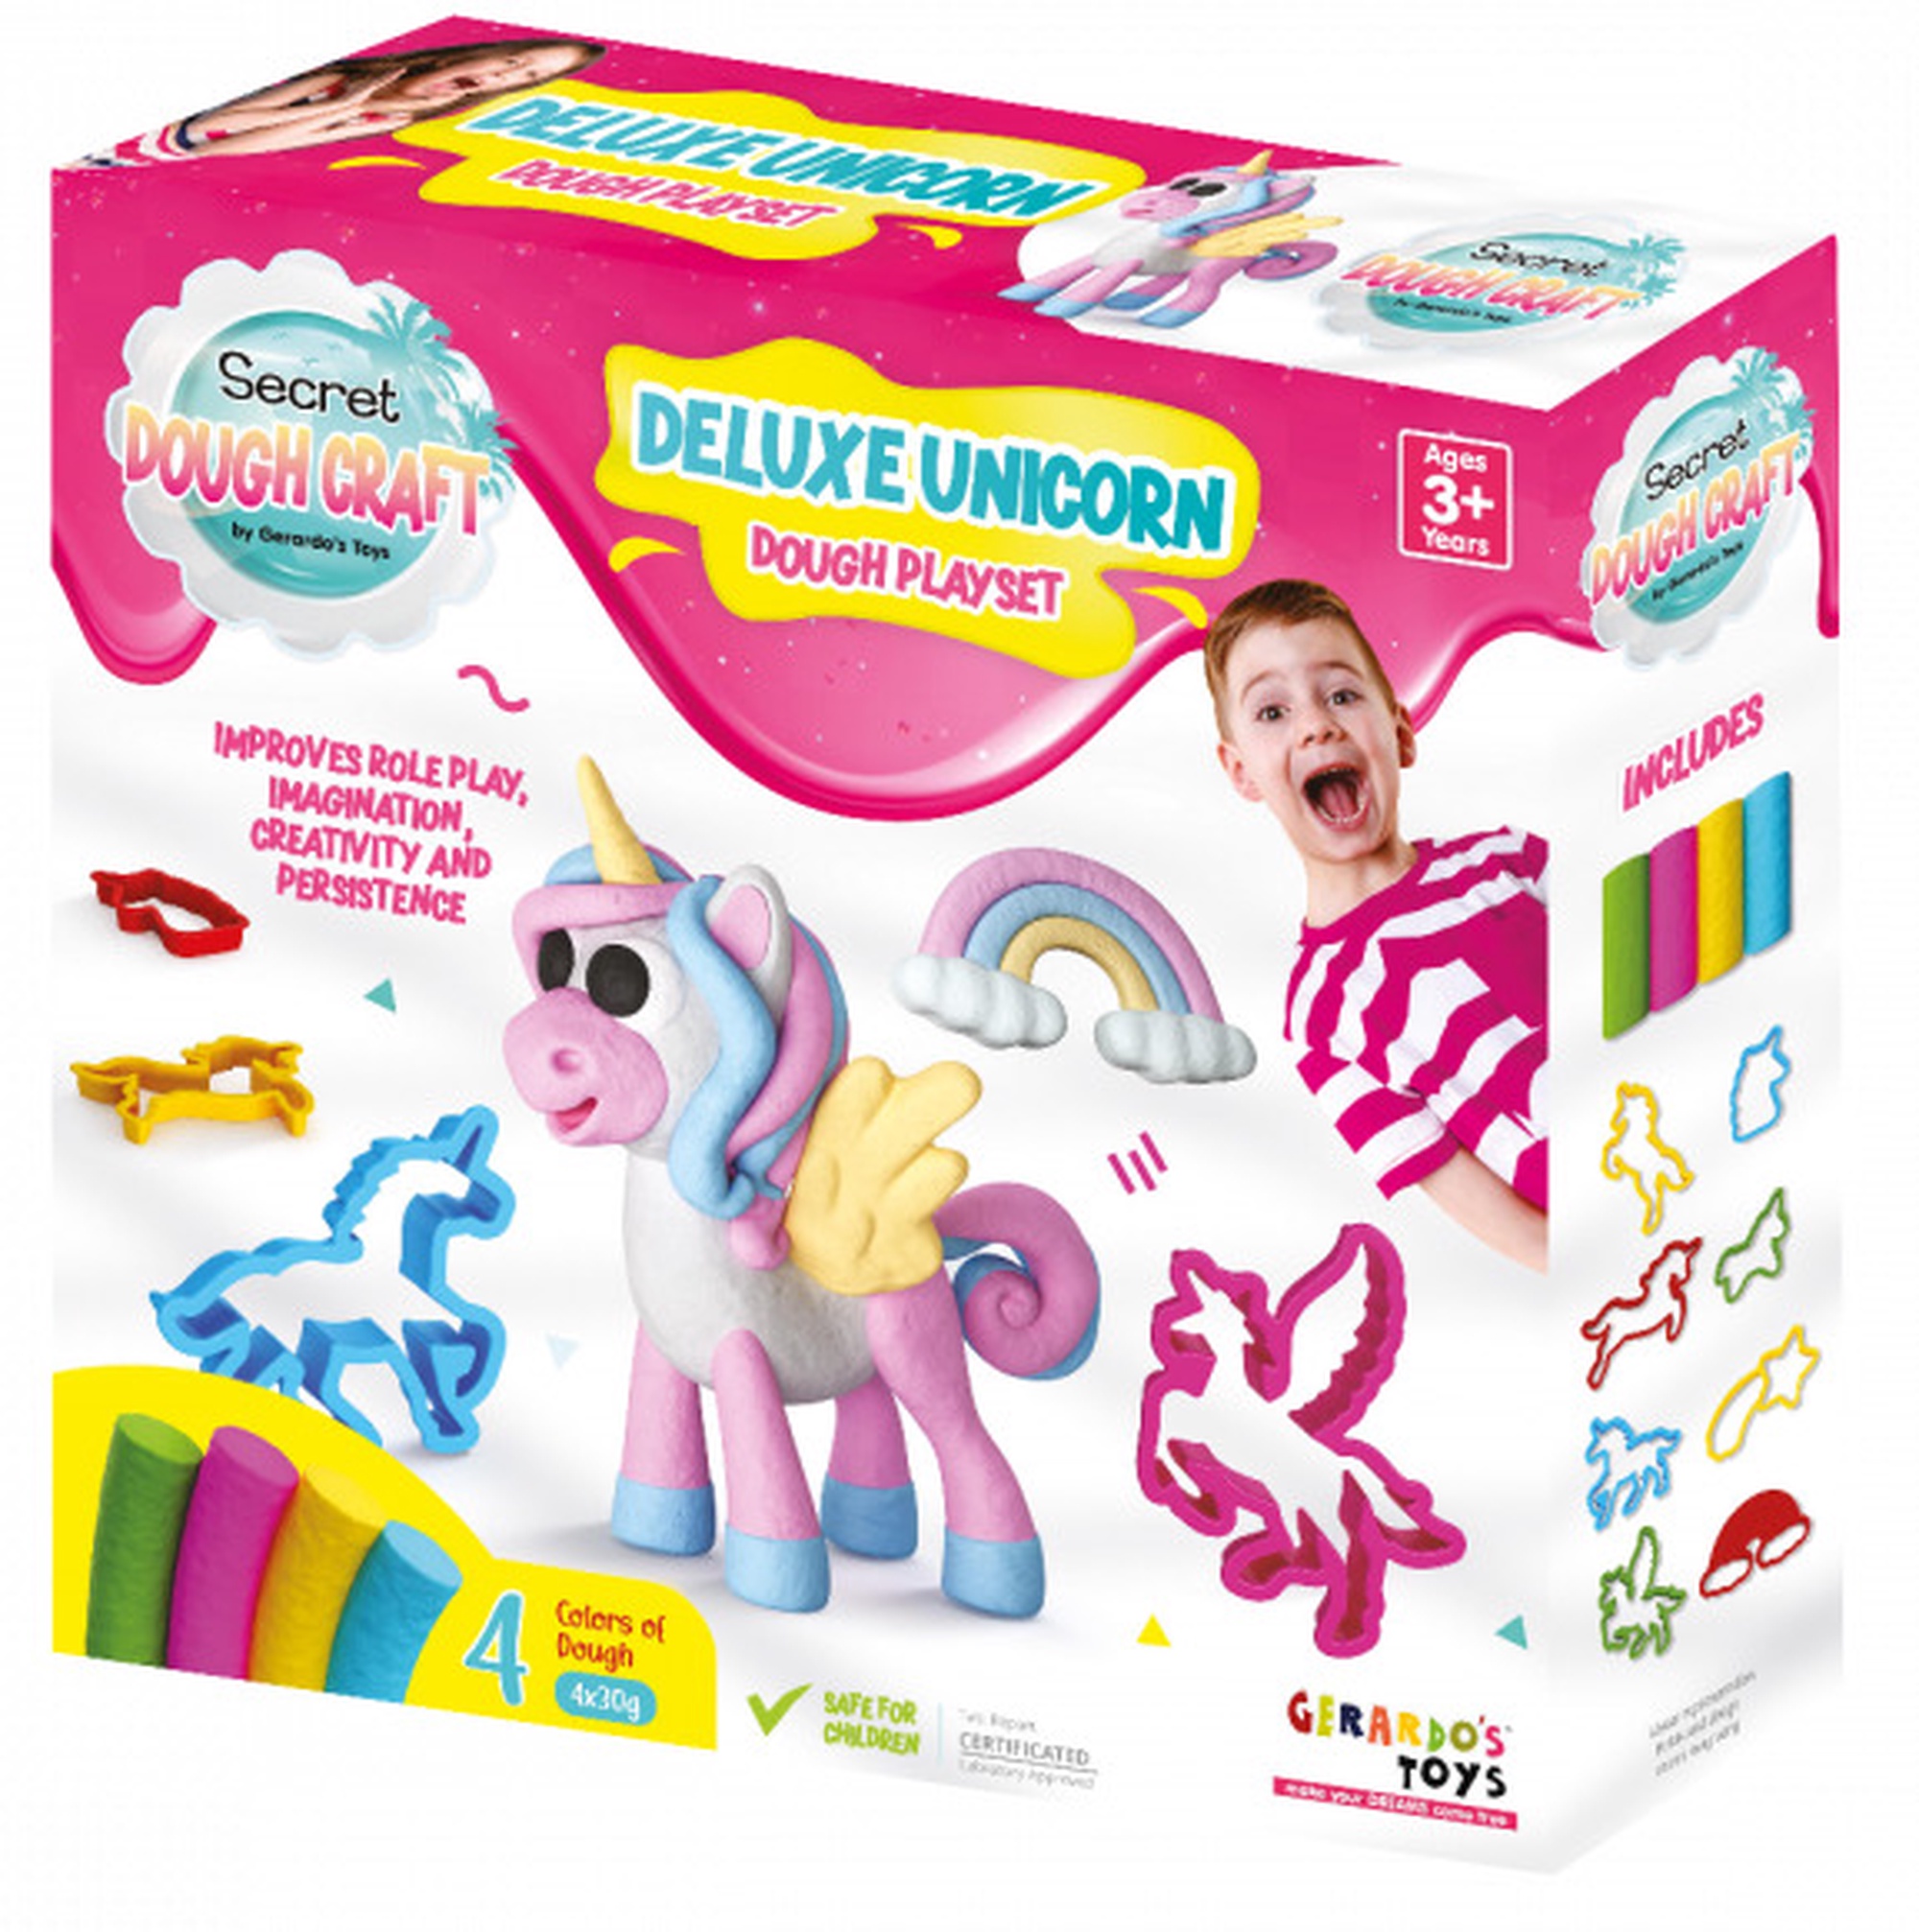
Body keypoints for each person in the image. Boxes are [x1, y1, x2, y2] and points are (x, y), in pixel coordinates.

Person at [1206, 579, 1548, 1271]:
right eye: (1272, 711)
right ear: (1242, 773)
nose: (1316, 725)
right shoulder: (1322, 1019)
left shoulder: (1508, 859)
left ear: (1401, 733)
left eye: (1341, 695)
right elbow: (1506, 1223)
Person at [90, 35, 604, 164]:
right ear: (480, 52)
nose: (505, 75)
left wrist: (347, 111)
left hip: (161, 153)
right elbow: (204, 129)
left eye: (528, 77)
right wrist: (340, 102)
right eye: (514, 60)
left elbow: (216, 151)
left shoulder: (386, 116)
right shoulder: (347, 77)